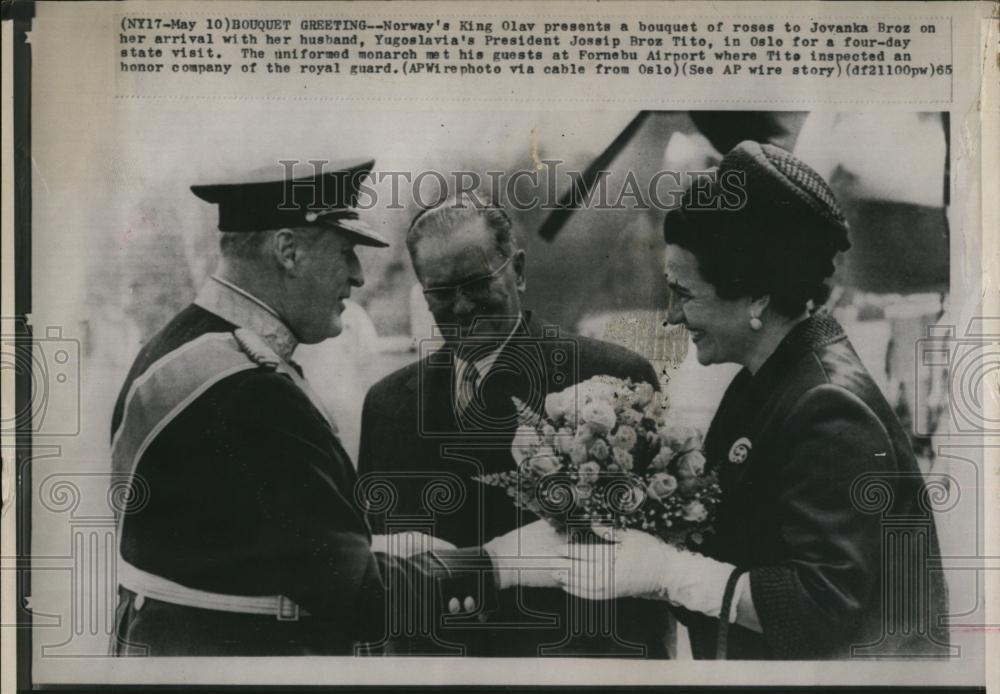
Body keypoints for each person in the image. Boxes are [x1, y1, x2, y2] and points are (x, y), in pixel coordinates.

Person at [110, 160, 561, 656]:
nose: (358, 275)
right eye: (345, 251)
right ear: (288, 250)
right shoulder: (249, 393)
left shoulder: (177, 347)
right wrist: (503, 562)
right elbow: (362, 598)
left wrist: (381, 550)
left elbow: (250, 547)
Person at [557, 141, 950, 660]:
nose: (673, 317)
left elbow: (821, 609)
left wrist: (668, 572)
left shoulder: (827, 406)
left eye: (686, 294)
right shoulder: (771, 377)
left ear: (757, 298)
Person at [357, 197, 671, 657]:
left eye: (478, 283)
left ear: (518, 270)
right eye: (442, 293)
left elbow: (650, 570)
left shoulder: (612, 378)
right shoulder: (386, 405)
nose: (463, 307)